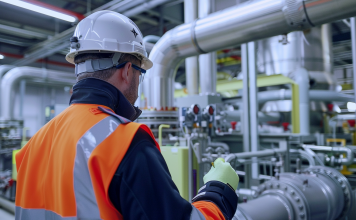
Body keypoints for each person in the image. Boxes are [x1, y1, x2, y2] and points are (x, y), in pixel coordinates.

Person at [15, 10, 239, 220]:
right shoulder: (125, 142)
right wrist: (218, 193)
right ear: (127, 70)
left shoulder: (34, 144)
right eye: (141, 73)